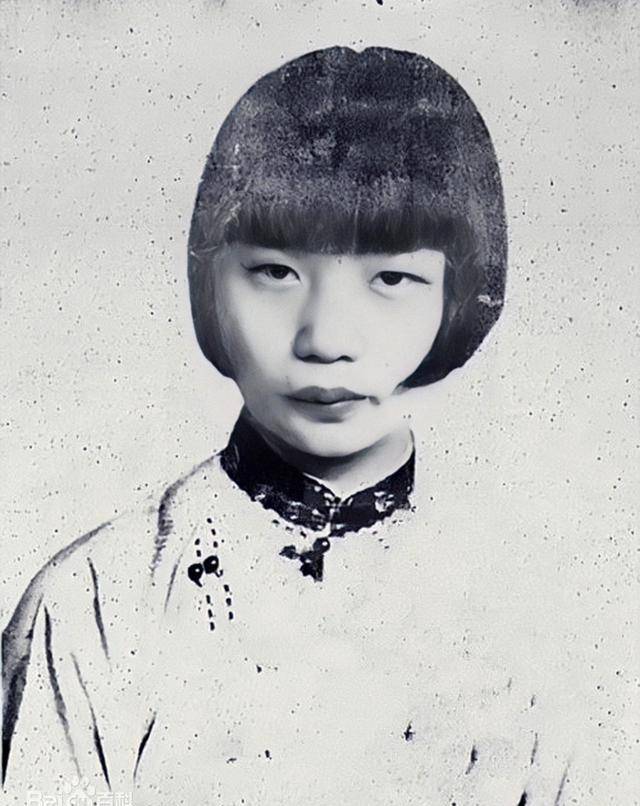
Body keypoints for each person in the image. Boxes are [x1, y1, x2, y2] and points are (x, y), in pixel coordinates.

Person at [3, 46, 572, 804]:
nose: (325, 339)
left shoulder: (522, 612)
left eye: (391, 278)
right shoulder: (95, 601)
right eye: (276, 271)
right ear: (210, 281)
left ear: (459, 295)